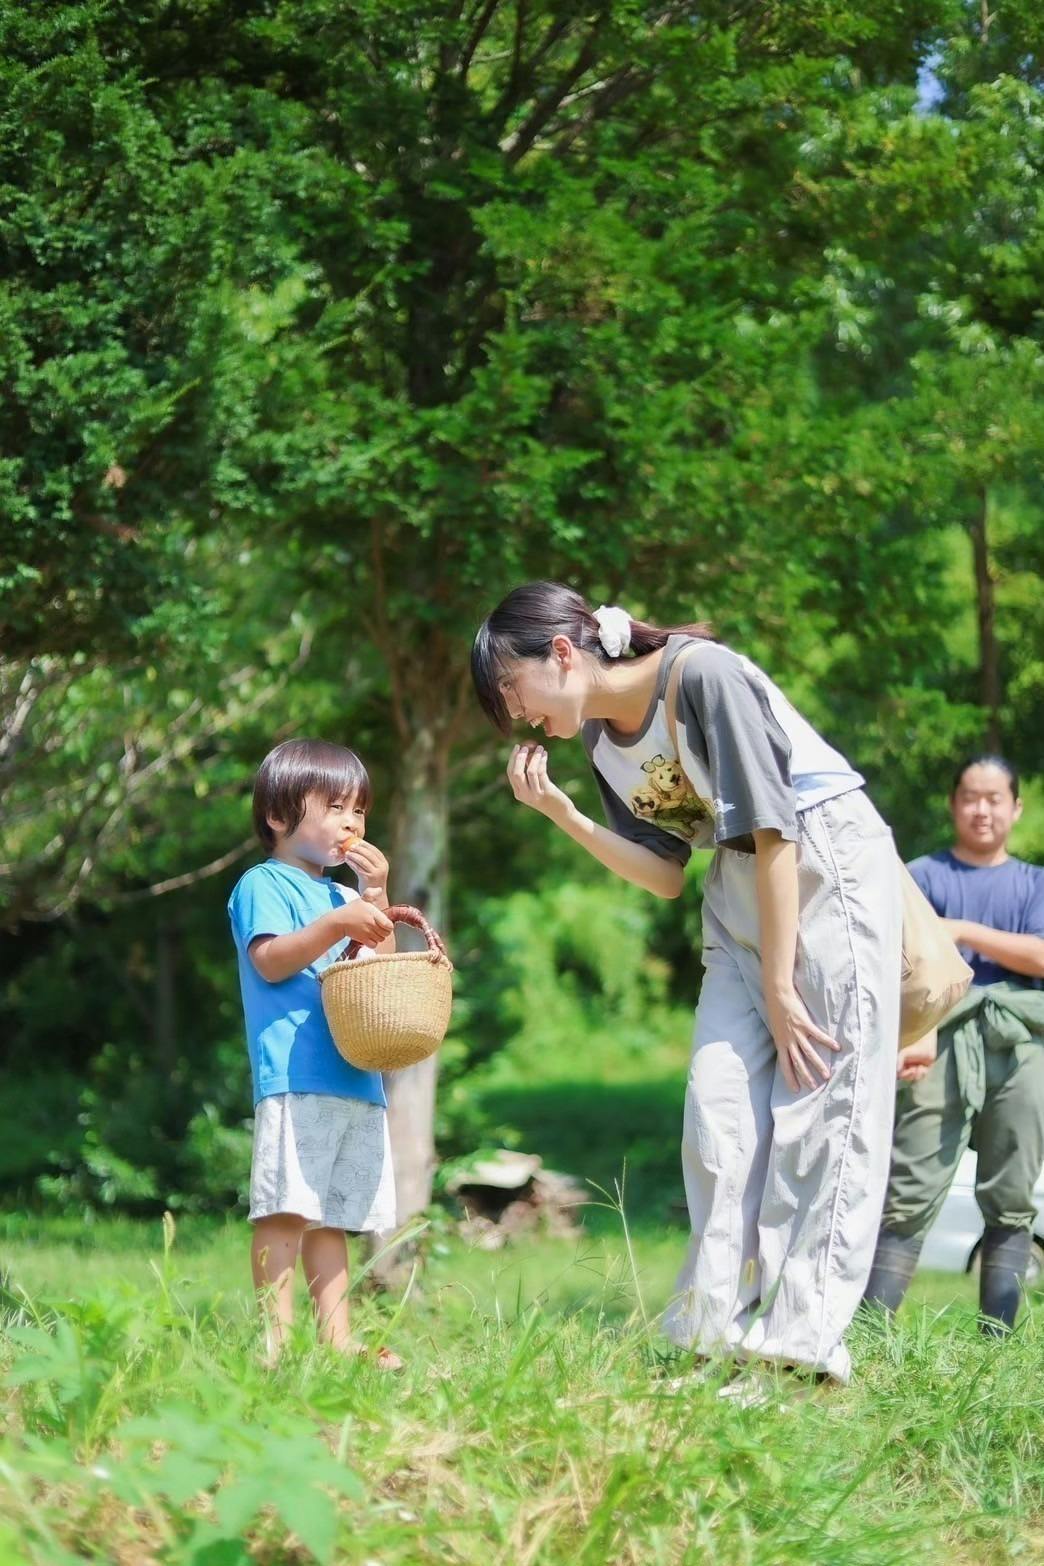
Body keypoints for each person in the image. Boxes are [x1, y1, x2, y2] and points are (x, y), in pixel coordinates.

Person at [471, 582, 902, 1385]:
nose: (519, 716)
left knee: (824, 1108)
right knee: (717, 1115)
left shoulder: (703, 675)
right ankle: (709, 1337)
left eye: (513, 692)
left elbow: (773, 830)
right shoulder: (603, 744)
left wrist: (779, 985)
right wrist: (562, 815)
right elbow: (666, 874)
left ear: (561, 653)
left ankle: (797, 1353)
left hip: (820, 867)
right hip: (735, 893)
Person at [227, 737, 402, 1368]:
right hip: (297, 1073)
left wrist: (375, 899)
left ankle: (338, 1341)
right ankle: (272, 1342)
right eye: (334, 807)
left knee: (332, 1216)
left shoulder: (342, 897)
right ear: (279, 817)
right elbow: (271, 962)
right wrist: (338, 923)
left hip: (353, 1074)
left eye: (359, 811)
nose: (352, 824)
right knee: (286, 1208)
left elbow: (374, 976)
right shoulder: (264, 883)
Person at [863, 756, 1044, 1334]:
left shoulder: (1034, 883)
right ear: (953, 805)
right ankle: (868, 1335)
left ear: (1015, 808)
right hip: (932, 1042)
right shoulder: (920, 876)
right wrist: (913, 1035)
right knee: (910, 1187)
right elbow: (893, 962)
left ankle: (997, 1340)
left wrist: (962, 931)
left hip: (1022, 1047)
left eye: (995, 798)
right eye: (971, 797)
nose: (982, 809)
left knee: (1013, 1192)